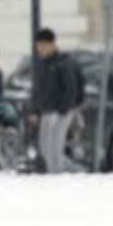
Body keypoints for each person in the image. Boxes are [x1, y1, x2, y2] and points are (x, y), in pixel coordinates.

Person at [31, 28, 85, 174]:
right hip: (47, 110)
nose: (40, 49)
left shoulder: (64, 63)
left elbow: (71, 89)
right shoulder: (42, 65)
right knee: (44, 146)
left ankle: (56, 175)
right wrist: (35, 110)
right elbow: (38, 90)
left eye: (43, 46)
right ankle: (53, 172)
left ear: (52, 44)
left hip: (61, 111)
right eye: (38, 46)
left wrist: (63, 109)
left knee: (55, 145)